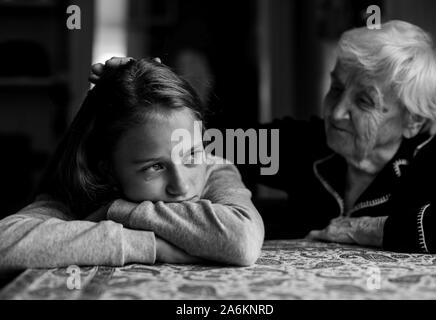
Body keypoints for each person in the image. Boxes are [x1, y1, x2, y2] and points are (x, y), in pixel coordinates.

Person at [89, 20, 436, 255]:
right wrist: (140, 91)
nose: (337, 111)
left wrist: (369, 229)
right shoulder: (306, 145)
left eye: (364, 101)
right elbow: (195, 145)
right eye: (336, 88)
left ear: (413, 121)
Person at [0, 58, 265, 272]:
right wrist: (150, 246)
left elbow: (242, 241)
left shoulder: (213, 169)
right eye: (155, 167)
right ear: (107, 168)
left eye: (191, 155)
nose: (181, 185)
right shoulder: (87, 189)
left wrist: (117, 210)